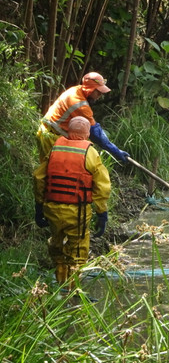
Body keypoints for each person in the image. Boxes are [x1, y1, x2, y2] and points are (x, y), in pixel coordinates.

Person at [33, 116, 111, 288]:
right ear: (86, 134)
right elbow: (102, 186)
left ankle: (60, 282)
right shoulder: (89, 152)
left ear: (68, 131)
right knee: (77, 250)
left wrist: (38, 206)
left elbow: (39, 177)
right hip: (78, 212)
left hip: (52, 208)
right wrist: (101, 213)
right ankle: (73, 292)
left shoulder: (55, 148)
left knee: (56, 242)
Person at [36, 71, 130, 163]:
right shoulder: (80, 105)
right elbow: (96, 134)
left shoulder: (76, 90)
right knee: (55, 170)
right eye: (98, 92)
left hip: (49, 131)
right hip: (51, 137)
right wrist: (115, 151)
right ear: (90, 89)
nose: (100, 96)